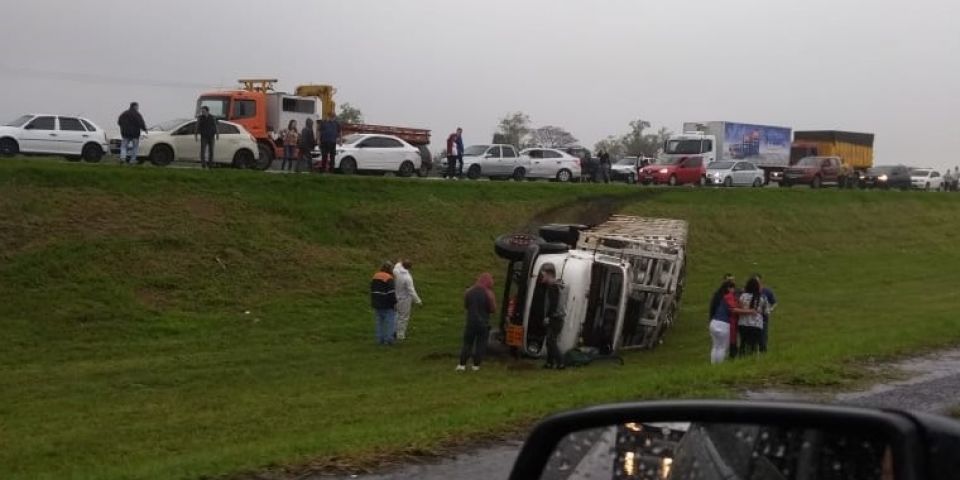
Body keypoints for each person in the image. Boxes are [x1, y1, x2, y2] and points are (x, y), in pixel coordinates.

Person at [458, 272, 497, 371]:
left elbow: (466, 305)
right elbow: (493, 309)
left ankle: (462, 365)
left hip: (471, 322)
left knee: (467, 343)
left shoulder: (469, 291)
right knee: (480, 344)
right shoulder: (489, 293)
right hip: (483, 322)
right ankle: (476, 366)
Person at [709, 280, 755, 364]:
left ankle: (713, 365)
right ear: (730, 289)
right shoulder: (729, 296)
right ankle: (719, 366)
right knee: (722, 347)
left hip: (714, 322)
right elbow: (734, 310)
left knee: (715, 346)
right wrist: (750, 311)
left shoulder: (724, 297)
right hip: (723, 323)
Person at [538, 264, 567, 370]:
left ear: (549, 275)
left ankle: (560, 362)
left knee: (551, 341)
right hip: (558, 317)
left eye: (543, 275)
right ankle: (550, 363)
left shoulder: (553, 287)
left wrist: (548, 317)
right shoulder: (557, 286)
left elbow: (553, 304)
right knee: (550, 341)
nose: (542, 277)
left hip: (555, 318)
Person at [392, 260, 423, 341]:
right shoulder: (407, 277)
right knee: (403, 317)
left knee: (396, 315)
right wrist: (418, 301)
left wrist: (400, 261)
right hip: (404, 299)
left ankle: (393, 331)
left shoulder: (395, 270)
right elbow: (411, 291)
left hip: (395, 296)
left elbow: (398, 263)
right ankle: (400, 335)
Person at [737, 277, 768, 356]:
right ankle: (753, 358)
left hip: (743, 323)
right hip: (756, 324)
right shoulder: (762, 298)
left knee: (743, 343)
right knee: (754, 345)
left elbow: (739, 307)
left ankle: (742, 357)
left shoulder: (743, 296)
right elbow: (766, 312)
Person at [370, 262, 397, 346]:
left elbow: (372, 289)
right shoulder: (389, 278)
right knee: (390, 323)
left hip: (376, 303)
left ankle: (380, 339)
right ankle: (389, 340)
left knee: (379, 323)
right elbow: (391, 292)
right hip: (387, 303)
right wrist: (394, 302)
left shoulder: (375, 276)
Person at [755, 274, 778, 353]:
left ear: (761, 281)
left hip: (763, 318)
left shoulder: (767, 291)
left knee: (763, 337)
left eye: (757, 281)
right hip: (751, 319)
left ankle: (763, 353)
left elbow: (774, 302)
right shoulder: (749, 290)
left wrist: (770, 310)